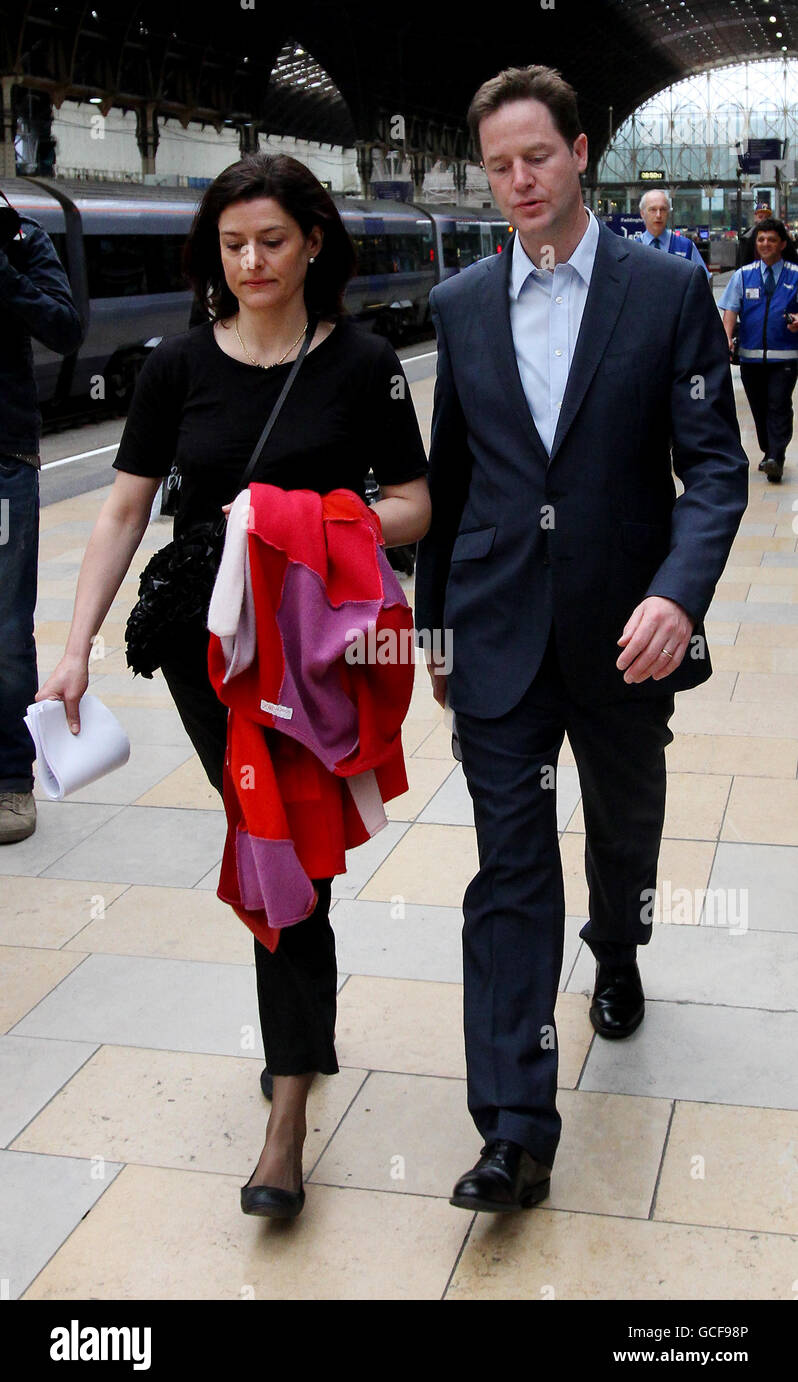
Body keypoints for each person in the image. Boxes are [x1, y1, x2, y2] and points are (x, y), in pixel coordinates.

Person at [37, 152, 430, 1216]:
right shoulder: (174, 366)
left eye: (271, 240)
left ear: (312, 243)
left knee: (287, 849)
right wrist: (72, 646)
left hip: (313, 650)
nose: (252, 261)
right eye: (232, 244)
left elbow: (412, 505)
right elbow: (123, 509)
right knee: (280, 846)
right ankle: (295, 1071)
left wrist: (303, 520)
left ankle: (287, 1107)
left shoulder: (361, 363)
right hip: (207, 657)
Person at [414, 65, 748, 1214]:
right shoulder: (460, 306)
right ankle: (514, 1128)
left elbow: (713, 470)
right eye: (500, 165)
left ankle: (616, 944)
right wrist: (434, 634)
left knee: (625, 826)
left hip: (626, 632)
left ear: (582, 150)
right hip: (498, 627)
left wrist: (680, 592)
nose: (518, 182)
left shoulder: (664, 293)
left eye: (536, 158)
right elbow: (450, 485)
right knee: (508, 871)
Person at [0, 191, 83, 845]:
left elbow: (65, 324)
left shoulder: (20, 239)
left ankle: (9, 782)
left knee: (3, 630)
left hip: (3, 458)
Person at [719, 216, 798, 484]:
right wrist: (726, 338)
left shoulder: (795, 275)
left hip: (785, 356)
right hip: (750, 356)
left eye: (772, 240)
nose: (765, 244)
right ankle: (769, 451)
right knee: (760, 408)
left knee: (778, 405)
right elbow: (730, 309)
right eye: (761, 239)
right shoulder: (744, 275)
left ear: (783, 244)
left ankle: (777, 455)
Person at [634, 188, 710, 277]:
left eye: (662, 209)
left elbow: (703, 282)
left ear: (669, 213)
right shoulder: (633, 249)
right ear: (642, 213)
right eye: (653, 210)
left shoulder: (686, 247)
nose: (658, 215)